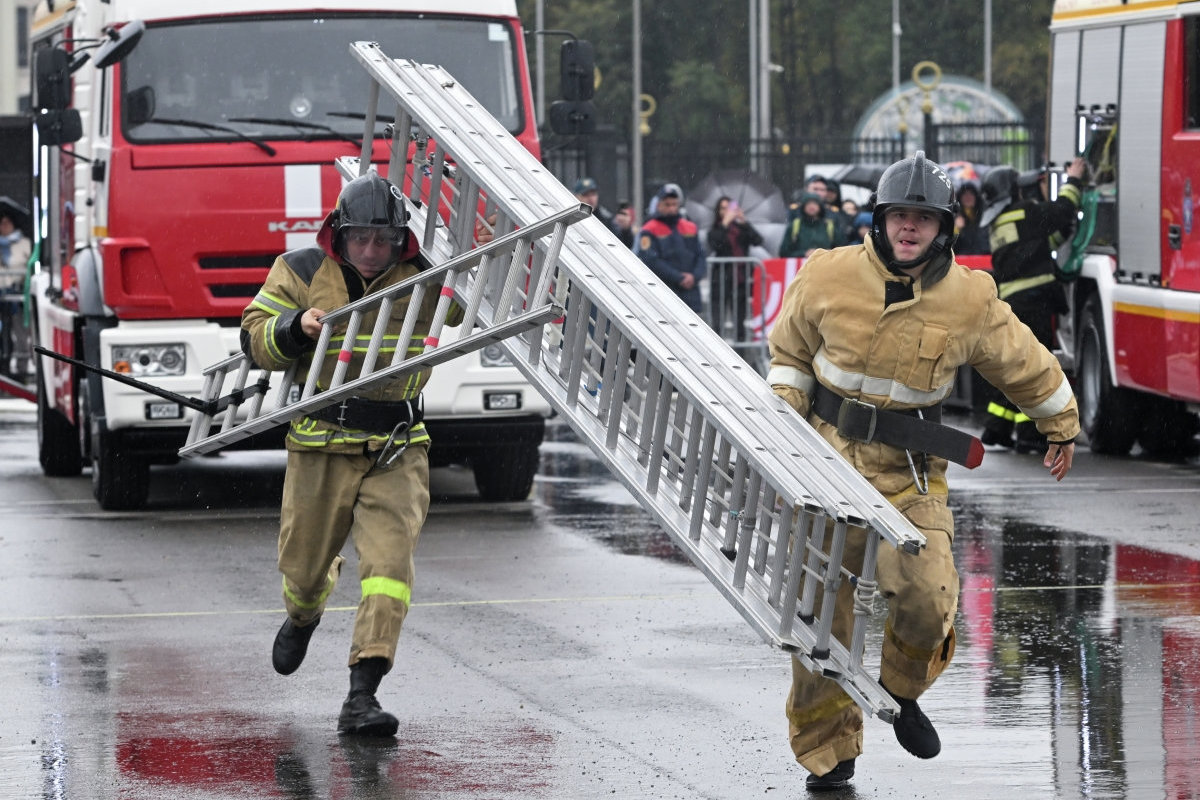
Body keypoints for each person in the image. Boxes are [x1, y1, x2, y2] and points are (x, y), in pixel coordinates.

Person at [767, 151, 1078, 792]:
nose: (910, 228)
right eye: (900, 216)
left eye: (924, 219)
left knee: (929, 597)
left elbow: (1023, 359)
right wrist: (781, 430)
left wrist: (1060, 421)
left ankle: (901, 692)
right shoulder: (827, 274)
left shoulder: (969, 297)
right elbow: (790, 353)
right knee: (818, 613)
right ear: (881, 220)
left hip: (910, 472)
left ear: (943, 228)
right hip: (825, 458)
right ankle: (830, 754)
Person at [241, 172, 460, 737]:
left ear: (400, 240)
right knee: (304, 566)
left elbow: (474, 299)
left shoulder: (424, 273)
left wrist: (465, 241)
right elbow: (254, 334)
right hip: (320, 442)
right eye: (360, 238)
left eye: (382, 240)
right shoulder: (302, 268)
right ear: (340, 232)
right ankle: (303, 613)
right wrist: (295, 327)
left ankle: (362, 693)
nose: (370, 251)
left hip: (396, 446)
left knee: (389, 569)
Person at [977, 158, 1086, 452]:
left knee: (1017, 366)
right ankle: (1029, 434)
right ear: (1013, 192)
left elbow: (1041, 242)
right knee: (1036, 367)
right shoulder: (1023, 213)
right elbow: (1062, 212)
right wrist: (1074, 180)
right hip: (1034, 303)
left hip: (1013, 303)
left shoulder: (1001, 223)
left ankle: (997, 427)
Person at [635, 183, 706, 312]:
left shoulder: (689, 227)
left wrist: (694, 276)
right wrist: (678, 277)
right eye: (667, 204)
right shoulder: (649, 229)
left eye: (674, 204)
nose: (671, 208)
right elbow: (651, 260)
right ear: (658, 205)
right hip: (665, 291)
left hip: (690, 293)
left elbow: (700, 255)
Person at [706, 195, 764, 339]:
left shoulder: (741, 228)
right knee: (718, 322)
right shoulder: (716, 229)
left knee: (739, 324)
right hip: (721, 279)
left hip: (740, 280)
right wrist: (725, 224)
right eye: (723, 208)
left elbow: (758, 240)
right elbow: (716, 243)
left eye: (730, 208)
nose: (727, 212)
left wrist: (744, 222)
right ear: (718, 211)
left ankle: (740, 356)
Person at [0, 207, 33, 379]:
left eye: (7, 222)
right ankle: (3, 368)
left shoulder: (24, 243)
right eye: (1, 223)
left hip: (17, 297)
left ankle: (21, 370)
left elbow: (29, 266)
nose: (4, 226)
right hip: (1, 296)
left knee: (21, 332)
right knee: (3, 334)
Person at [778, 191, 844, 258]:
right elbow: (784, 253)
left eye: (815, 203)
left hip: (825, 266)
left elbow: (842, 251)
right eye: (808, 204)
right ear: (803, 206)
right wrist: (804, 253)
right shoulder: (795, 226)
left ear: (820, 206)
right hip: (802, 267)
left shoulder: (829, 226)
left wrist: (827, 252)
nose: (811, 206)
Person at [574, 177, 624, 243]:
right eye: (585, 195)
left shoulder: (606, 219)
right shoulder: (572, 217)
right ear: (576, 197)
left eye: (593, 194)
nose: (591, 199)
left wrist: (626, 231)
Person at [952, 181, 989, 255]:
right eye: (965, 194)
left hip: (985, 262)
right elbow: (950, 248)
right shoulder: (953, 217)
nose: (968, 197)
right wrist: (955, 230)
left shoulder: (986, 216)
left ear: (976, 197)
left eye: (971, 194)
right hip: (963, 263)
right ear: (960, 198)